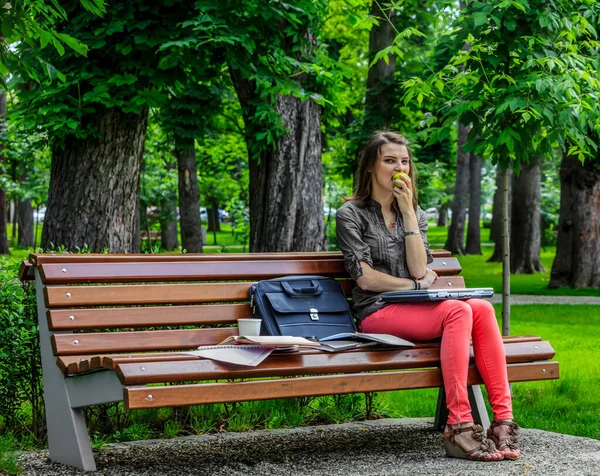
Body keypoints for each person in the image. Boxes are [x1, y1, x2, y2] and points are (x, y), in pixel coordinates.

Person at [335, 131, 520, 461]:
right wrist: (414, 287)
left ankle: (503, 421)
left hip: (417, 309)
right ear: (370, 168)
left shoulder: (415, 215)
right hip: (376, 312)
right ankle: (459, 426)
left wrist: (406, 212)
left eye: (403, 161)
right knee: (458, 312)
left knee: (480, 307)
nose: (398, 167)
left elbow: (419, 269)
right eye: (389, 160)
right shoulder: (351, 214)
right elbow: (365, 279)